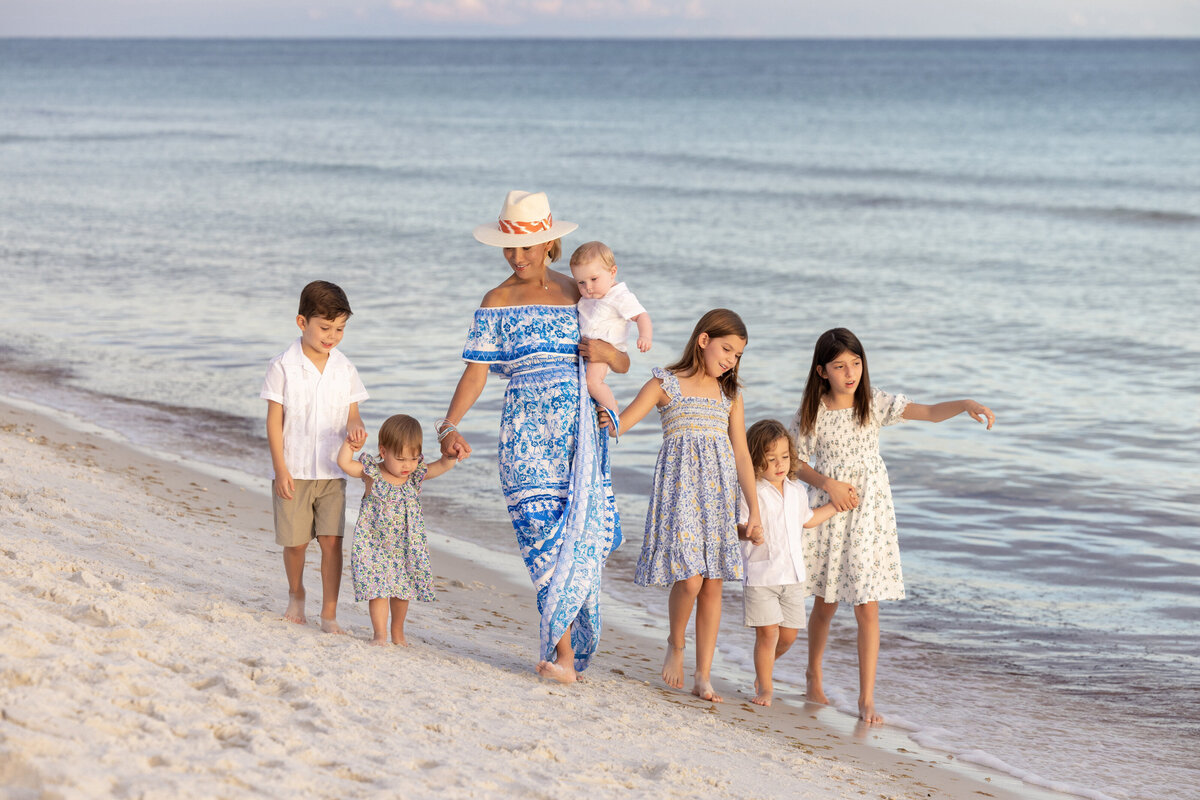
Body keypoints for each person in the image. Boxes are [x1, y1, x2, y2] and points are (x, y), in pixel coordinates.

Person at [437, 190, 628, 684]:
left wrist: (609, 353)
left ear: (549, 245)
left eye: (527, 247)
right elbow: (475, 375)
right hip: (523, 440)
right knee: (542, 545)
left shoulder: (581, 293)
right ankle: (563, 657)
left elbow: (619, 361)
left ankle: (567, 652)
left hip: (579, 439)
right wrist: (449, 425)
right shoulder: (496, 302)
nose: (517, 257)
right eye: (509, 248)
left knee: (581, 536)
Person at [790, 327, 995, 724]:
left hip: (869, 515)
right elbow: (796, 461)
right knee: (826, 602)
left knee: (868, 605)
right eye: (839, 366)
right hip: (831, 508)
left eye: (855, 363)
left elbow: (931, 413)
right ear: (821, 372)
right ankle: (813, 673)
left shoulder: (873, 402)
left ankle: (867, 698)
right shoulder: (812, 413)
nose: (850, 373)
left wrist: (966, 402)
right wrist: (827, 484)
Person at [609, 308, 762, 704]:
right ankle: (675, 643)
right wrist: (596, 396)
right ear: (704, 340)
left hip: (718, 494)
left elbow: (742, 455)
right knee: (691, 577)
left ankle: (703, 676)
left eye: (738, 355)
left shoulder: (730, 395)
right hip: (680, 490)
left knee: (712, 583)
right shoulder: (665, 383)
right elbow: (620, 424)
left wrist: (754, 511)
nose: (730, 360)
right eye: (726, 349)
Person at [261, 280, 368, 634]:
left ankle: (330, 613)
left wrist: (356, 428)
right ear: (301, 322)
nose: (332, 336)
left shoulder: (345, 368)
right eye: (325, 327)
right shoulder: (282, 366)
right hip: (294, 468)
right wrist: (281, 469)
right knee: (294, 543)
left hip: (332, 470)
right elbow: (274, 422)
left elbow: (353, 413)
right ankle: (296, 592)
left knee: (332, 542)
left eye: (340, 329)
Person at [737, 419, 846, 707]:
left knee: (788, 636)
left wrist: (835, 506)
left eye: (784, 457)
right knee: (768, 633)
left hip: (794, 576)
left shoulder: (797, 490)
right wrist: (749, 531)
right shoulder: (753, 491)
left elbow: (808, 520)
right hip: (762, 575)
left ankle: (764, 669)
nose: (779, 464)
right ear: (756, 460)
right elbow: (737, 524)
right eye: (771, 459)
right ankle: (766, 687)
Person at [337, 414, 456, 646]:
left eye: (413, 458)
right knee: (379, 590)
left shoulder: (414, 476)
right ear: (383, 451)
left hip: (406, 546)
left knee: (403, 590)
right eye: (401, 458)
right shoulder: (371, 473)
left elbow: (442, 465)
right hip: (375, 545)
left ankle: (398, 633)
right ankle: (380, 635)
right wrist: (349, 445)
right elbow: (345, 464)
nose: (407, 465)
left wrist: (452, 454)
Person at [568, 240, 652, 416]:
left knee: (592, 382)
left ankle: (612, 411)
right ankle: (605, 402)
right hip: (590, 349)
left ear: (612, 272)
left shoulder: (620, 296)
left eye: (593, 279)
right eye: (581, 282)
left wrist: (645, 336)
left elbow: (641, 315)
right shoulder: (593, 295)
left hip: (605, 348)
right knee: (588, 382)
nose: (588, 287)